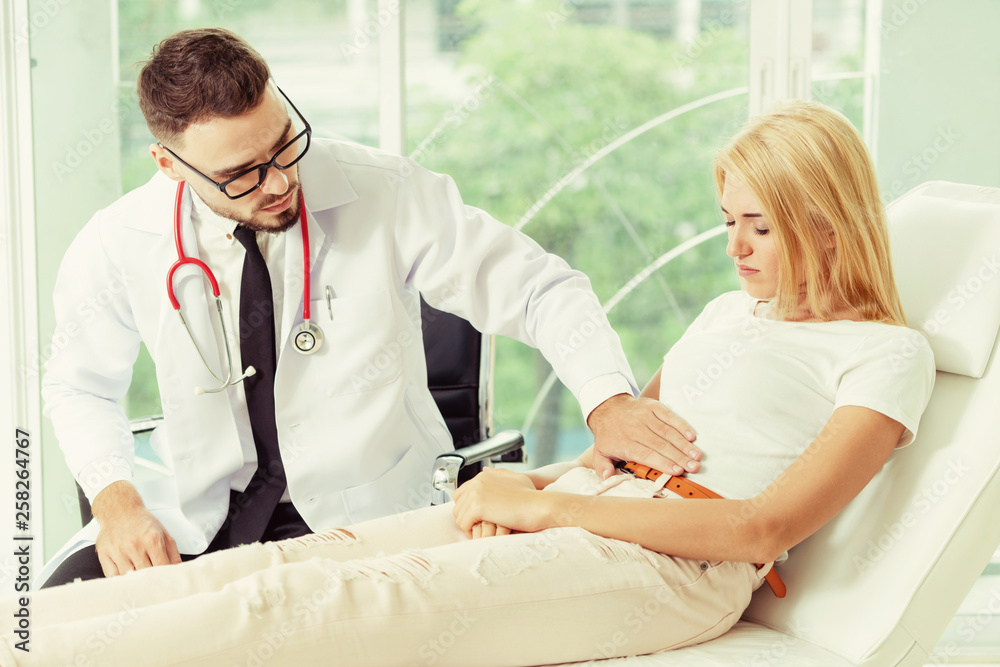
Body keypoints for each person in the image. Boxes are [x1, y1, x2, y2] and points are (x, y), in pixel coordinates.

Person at [3, 99, 935, 665]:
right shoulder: (730, 313)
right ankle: (20, 629)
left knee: (308, 609)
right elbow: (623, 456)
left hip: (676, 566)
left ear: (826, 218)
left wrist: (553, 507)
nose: (733, 247)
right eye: (728, 219)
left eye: (760, 226)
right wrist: (520, 486)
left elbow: (759, 527)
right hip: (591, 507)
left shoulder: (887, 354)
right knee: (283, 566)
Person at [36, 28, 697, 588]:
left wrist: (607, 400)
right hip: (202, 526)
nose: (280, 182)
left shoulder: (383, 191)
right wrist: (114, 495)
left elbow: (539, 287)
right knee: (50, 616)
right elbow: (78, 384)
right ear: (168, 163)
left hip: (370, 526)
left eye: (285, 144)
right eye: (242, 173)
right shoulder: (120, 240)